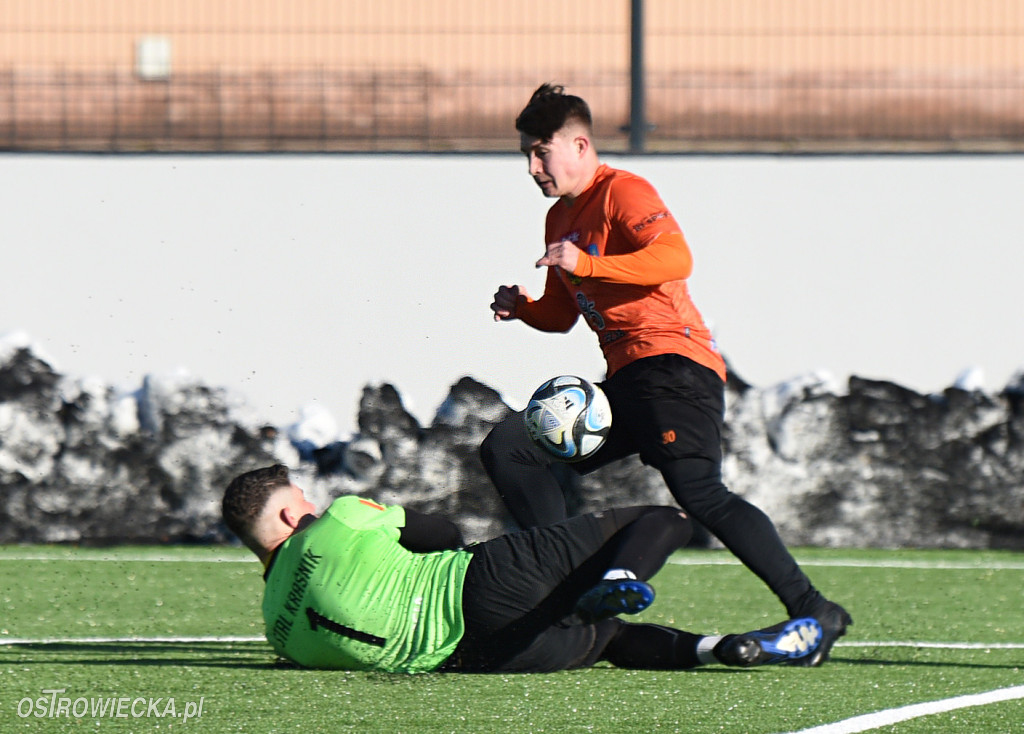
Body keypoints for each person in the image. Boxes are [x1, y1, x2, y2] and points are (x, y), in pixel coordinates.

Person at [482, 83, 851, 667]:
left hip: (674, 367)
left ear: (579, 145)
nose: (532, 166)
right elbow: (560, 315)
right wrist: (523, 306)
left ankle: (814, 609)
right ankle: (561, 590)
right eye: (525, 154)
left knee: (700, 492)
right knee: (511, 448)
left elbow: (676, 258)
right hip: (628, 378)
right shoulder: (558, 217)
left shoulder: (623, 191)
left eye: (541, 152)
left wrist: (589, 263)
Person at [221, 464, 823, 674]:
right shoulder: (343, 518)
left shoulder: (277, 631)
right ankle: (617, 579)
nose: (313, 505)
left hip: (478, 658)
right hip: (479, 583)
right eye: (302, 498)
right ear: (284, 511)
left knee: (607, 640)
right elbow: (445, 536)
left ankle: (721, 649)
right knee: (664, 519)